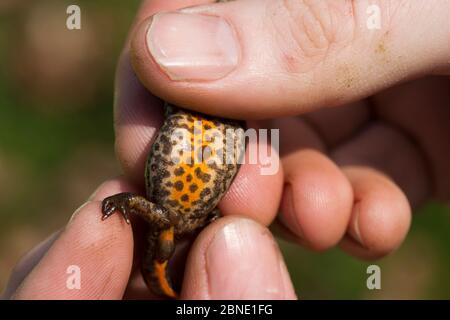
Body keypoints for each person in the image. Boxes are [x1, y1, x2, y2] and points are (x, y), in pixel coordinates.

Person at [4, 0, 449, 299]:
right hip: (198, 198)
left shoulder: (167, 217)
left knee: (170, 222)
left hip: (192, 191)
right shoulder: (174, 221)